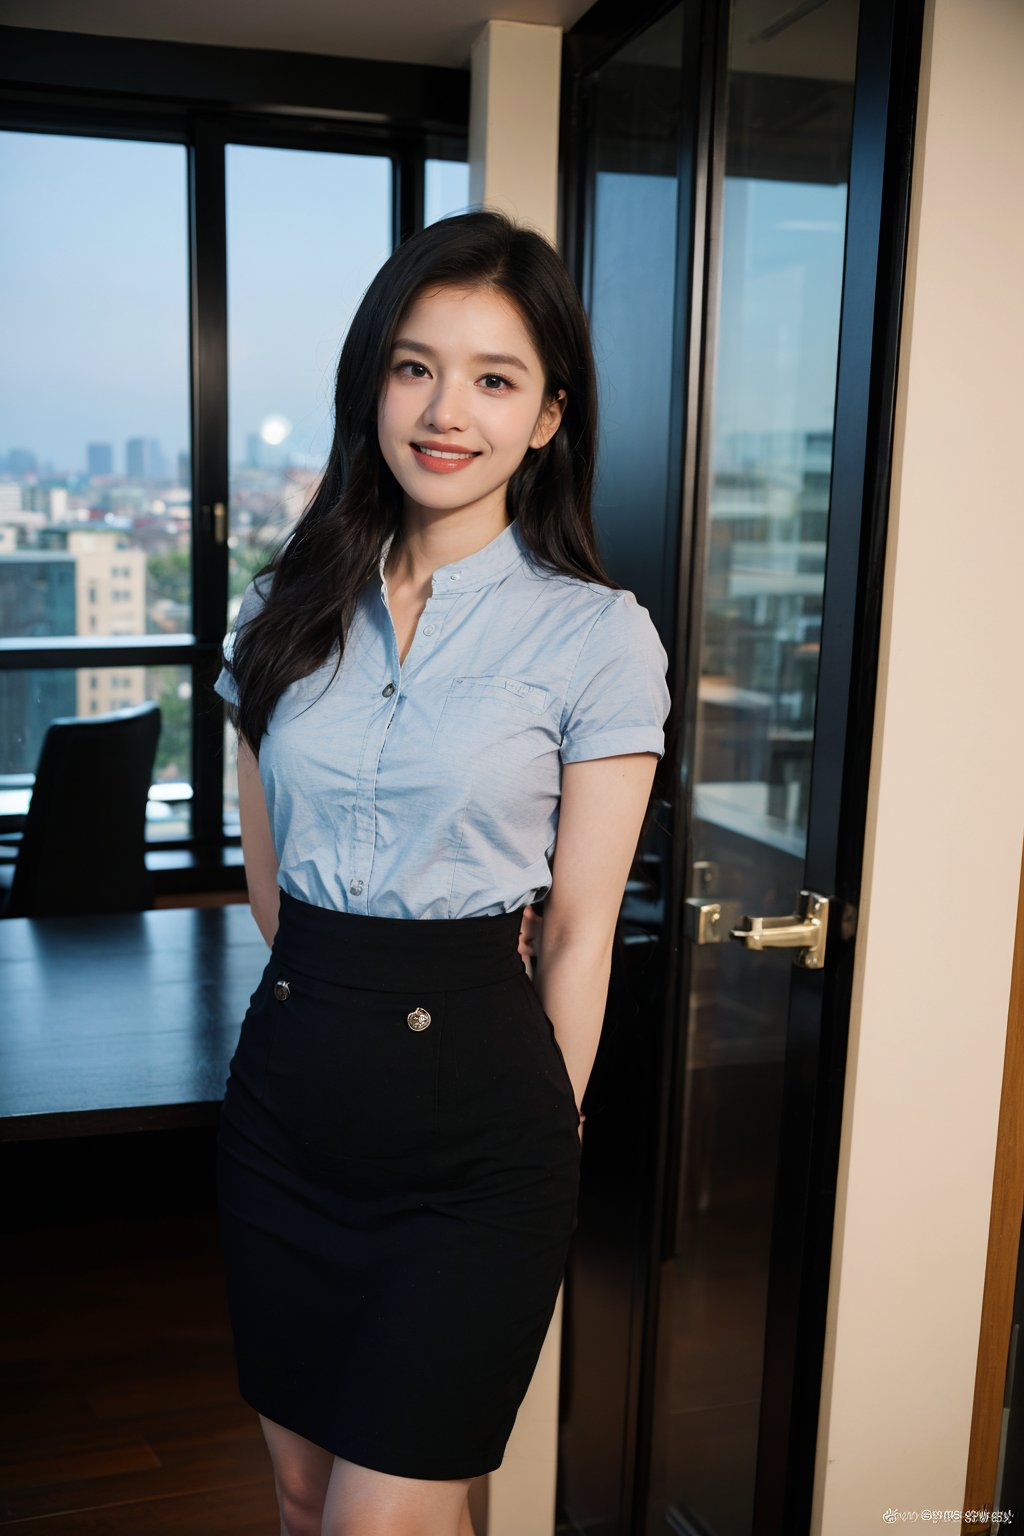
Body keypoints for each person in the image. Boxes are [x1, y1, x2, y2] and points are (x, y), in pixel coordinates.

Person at [213, 208, 671, 1536]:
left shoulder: (597, 639)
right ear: (374, 385)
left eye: (494, 376)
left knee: (380, 1519)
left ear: (546, 418)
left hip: (481, 1142)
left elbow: (580, 931)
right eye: (415, 366)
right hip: (286, 1116)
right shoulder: (278, 608)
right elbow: (270, 888)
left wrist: (552, 1117)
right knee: (305, 1501)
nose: (444, 408)